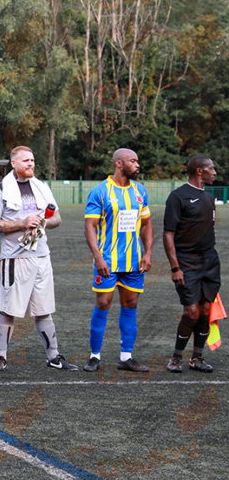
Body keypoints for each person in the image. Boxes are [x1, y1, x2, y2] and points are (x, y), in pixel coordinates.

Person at [0, 146, 74, 372]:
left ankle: (53, 357)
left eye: (32, 160)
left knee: (44, 309)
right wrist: (22, 223)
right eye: (26, 160)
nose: (31, 164)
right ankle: (1, 357)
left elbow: (57, 219)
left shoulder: (42, 187)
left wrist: (42, 222)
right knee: (8, 309)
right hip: (15, 259)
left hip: (42, 256)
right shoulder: (0, 189)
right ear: (13, 163)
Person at [83, 148, 153, 372]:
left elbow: (147, 224)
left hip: (134, 261)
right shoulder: (100, 191)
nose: (137, 165)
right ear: (119, 164)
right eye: (133, 161)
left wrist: (148, 252)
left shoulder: (140, 191)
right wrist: (98, 257)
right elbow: (90, 226)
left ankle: (126, 357)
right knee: (103, 303)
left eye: (137, 160)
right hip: (108, 261)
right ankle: (94, 356)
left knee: (130, 304)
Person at [163, 155, 219, 373]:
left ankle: (197, 358)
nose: (214, 172)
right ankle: (176, 358)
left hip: (210, 261)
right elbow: (168, 234)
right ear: (199, 171)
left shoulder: (209, 197)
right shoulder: (178, 197)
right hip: (186, 261)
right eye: (211, 168)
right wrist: (175, 267)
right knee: (191, 311)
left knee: (205, 309)